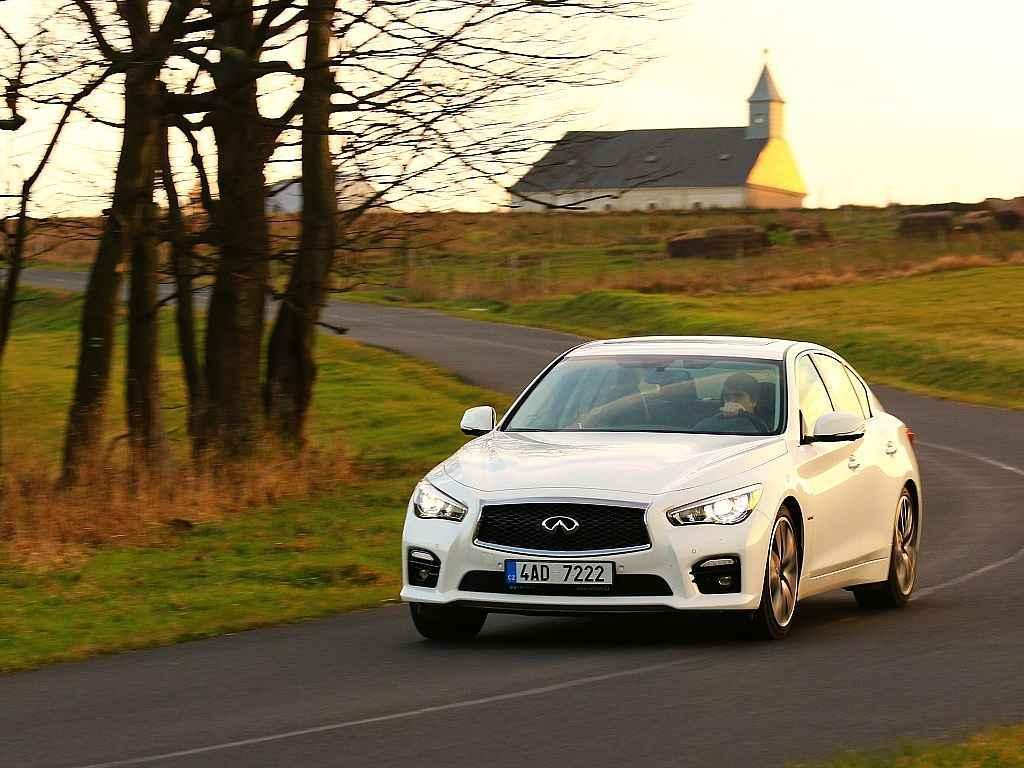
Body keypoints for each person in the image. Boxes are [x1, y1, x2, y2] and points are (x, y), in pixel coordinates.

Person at [695, 372, 769, 434]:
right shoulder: (711, 422)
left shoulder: (771, 426)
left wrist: (745, 415)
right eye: (727, 396)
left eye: (738, 396)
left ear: (753, 401)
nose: (732, 401)